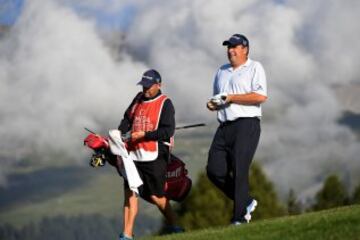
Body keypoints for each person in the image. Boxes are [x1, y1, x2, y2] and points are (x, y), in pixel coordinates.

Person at [206, 34, 268, 225]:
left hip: (246, 125)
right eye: (228, 47)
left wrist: (232, 98)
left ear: (245, 49)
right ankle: (246, 201)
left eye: (234, 46)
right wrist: (213, 104)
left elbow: (260, 96)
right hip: (224, 127)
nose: (230, 50)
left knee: (239, 169)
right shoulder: (221, 71)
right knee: (214, 171)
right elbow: (220, 98)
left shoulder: (255, 67)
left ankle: (239, 218)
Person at [117, 69, 183, 240]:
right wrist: (120, 134)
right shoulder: (138, 99)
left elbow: (168, 131)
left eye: (148, 86)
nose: (145, 89)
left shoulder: (165, 103)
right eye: (143, 86)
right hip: (133, 153)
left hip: (155, 155)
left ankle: (175, 225)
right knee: (130, 192)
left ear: (158, 85)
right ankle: (127, 234)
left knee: (156, 196)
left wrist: (145, 135)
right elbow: (127, 119)